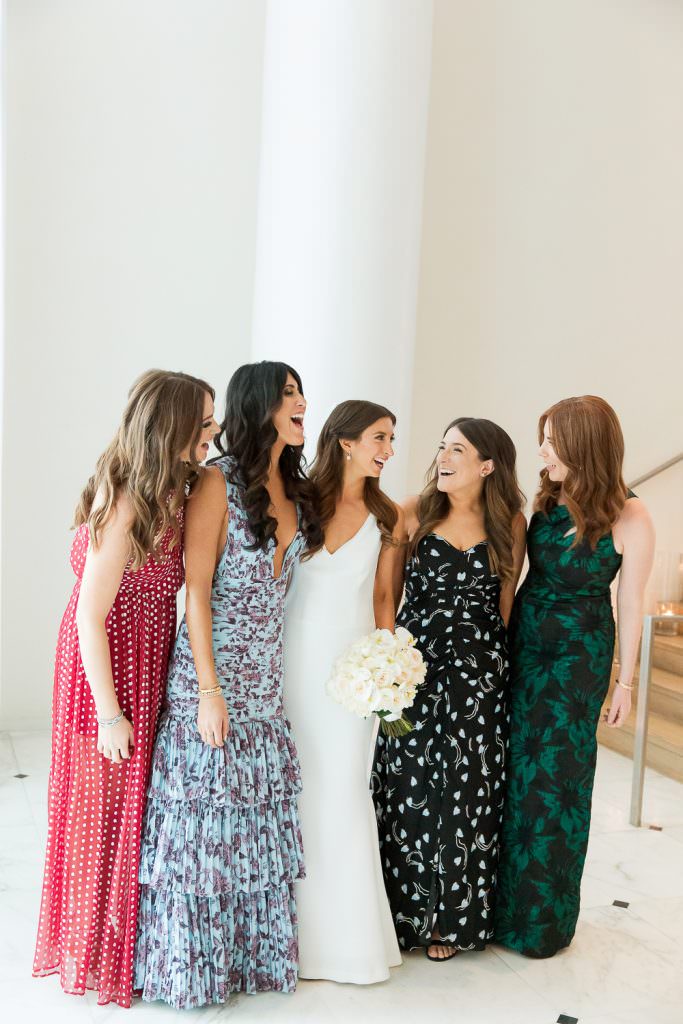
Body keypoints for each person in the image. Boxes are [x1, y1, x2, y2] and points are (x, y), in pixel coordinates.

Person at [134, 361, 321, 1009]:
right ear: (260, 405)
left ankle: (246, 964)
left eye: (302, 391)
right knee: (205, 826)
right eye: (290, 392)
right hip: (209, 677)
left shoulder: (296, 493)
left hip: (265, 684)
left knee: (250, 827)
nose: (302, 402)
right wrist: (208, 691)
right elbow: (196, 590)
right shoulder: (217, 482)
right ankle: (191, 971)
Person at [33, 369, 217, 1007]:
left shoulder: (174, 487)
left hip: (140, 656)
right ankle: (88, 952)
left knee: (127, 811)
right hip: (104, 665)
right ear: (170, 426)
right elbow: (90, 615)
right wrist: (110, 715)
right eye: (203, 421)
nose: (212, 432)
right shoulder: (133, 499)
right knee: (99, 808)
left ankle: (116, 942)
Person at [494, 396, 655, 958]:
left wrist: (626, 682)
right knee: (514, 773)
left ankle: (540, 923)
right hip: (526, 645)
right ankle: (497, 911)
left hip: (578, 657)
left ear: (584, 444)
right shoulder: (546, 496)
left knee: (557, 785)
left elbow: (631, 604)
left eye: (552, 439)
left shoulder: (631, 515)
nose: (542, 450)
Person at [372, 417, 526, 961]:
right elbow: (385, 594)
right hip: (417, 667)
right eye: (442, 446)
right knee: (408, 787)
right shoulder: (413, 512)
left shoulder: (510, 520)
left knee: (468, 793)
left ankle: (451, 921)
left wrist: (497, 672)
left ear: (487, 466)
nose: (443, 456)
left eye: (456, 449)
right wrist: (388, 665)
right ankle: (402, 914)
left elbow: (505, 605)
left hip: (480, 675)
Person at [283, 400, 405, 984]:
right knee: (299, 790)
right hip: (289, 667)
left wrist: (388, 671)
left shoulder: (387, 516)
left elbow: (384, 602)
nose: (388, 449)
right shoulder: (298, 499)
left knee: (345, 790)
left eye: (391, 439)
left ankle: (351, 946)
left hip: (352, 676)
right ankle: (293, 942)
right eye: (379, 437)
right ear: (346, 441)